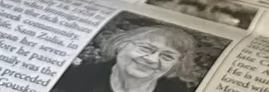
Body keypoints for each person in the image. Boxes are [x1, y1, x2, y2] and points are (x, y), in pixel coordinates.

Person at [54, 25, 198, 92]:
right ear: (121, 44)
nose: (152, 59)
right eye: (146, 48)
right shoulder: (79, 77)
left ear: (176, 65)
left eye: (167, 56)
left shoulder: (176, 89)